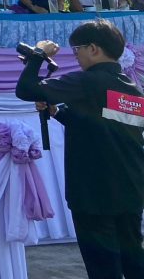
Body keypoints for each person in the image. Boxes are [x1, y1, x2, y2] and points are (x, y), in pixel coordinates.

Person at [16, 21, 144, 278]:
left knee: (102, 268)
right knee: (134, 261)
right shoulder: (131, 88)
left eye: (77, 50)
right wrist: (57, 112)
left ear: (93, 49)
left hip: (94, 192)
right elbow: (105, 125)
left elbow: (26, 89)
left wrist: (38, 56)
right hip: (130, 188)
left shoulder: (88, 81)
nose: (76, 56)